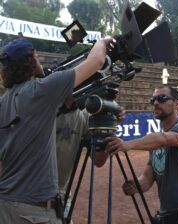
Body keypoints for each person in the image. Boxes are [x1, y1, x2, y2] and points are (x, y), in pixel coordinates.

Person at [0, 37, 113, 223]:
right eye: (36, 56)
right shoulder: (42, 90)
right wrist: (102, 41)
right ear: (30, 61)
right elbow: (97, 62)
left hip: (4, 205)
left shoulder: (3, 102)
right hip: (34, 211)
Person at [104, 86, 178, 224]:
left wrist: (128, 144)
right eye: (152, 100)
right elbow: (147, 179)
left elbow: (165, 139)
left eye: (162, 98)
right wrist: (135, 185)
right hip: (167, 217)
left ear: (177, 104)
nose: (155, 103)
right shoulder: (154, 145)